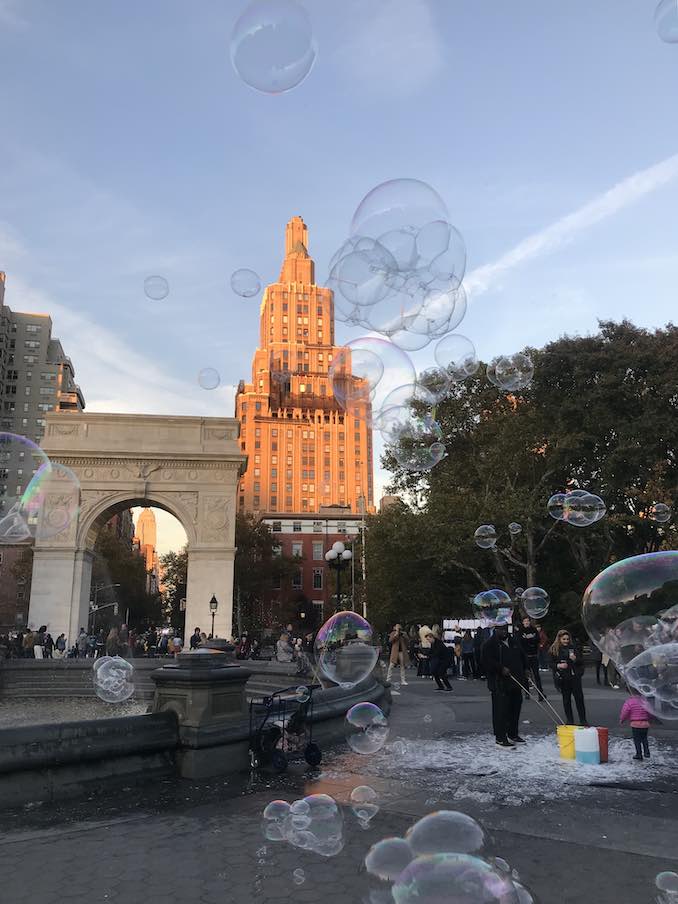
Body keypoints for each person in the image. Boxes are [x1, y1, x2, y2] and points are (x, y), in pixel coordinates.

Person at [481, 623, 529, 748]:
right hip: (499, 682)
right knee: (500, 710)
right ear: (495, 630)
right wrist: (500, 668)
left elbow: (522, 656)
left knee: (515, 708)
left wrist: (526, 669)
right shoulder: (489, 644)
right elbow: (486, 662)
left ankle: (512, 733)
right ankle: (500, 737)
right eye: (500, 629)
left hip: (516, 681)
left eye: (505, 629)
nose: (504, 632)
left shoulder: (514, 641)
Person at [550, 629, 588, 726]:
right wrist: (558, 665)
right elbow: (550, 663)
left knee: (579, 699)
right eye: (564, 639)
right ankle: (570, 720)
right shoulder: (554, 649)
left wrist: (575, 659)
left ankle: (583, 720)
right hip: (563, 678)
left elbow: (581, 662)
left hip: (575, 677)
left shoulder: (574, 648)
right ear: (559, 639)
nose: (566, 641)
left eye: (567, 639)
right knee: (566, 700)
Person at [620, 687, 658, 761]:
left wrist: (622, 720)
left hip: (635, 724)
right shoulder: (644, 701)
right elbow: (650, 711)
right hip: (645, 724)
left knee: (637, 740)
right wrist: (650, 718)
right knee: (644, 738)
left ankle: (639, 754)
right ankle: (647, 752)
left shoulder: (629, 702)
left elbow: (625, 712)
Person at [517, 617, 546, 700]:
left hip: (533, 655)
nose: (526, 622)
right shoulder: (520, 631)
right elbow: (520, 642)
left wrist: (528, 640)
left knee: (537, 675)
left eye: (528, 621)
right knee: (526, 675)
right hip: (525, 656)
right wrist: (530, 640)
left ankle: (540, 692)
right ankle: (527, 692)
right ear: (522, 622)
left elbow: (537, 639)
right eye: (525, 621)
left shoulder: (534, 630)